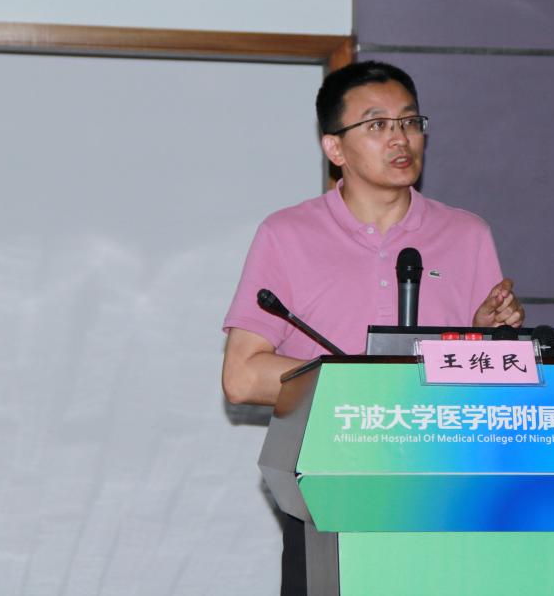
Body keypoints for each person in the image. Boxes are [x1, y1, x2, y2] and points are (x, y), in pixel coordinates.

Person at [220, 60, 524, 595]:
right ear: (335, 147)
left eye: (410, 121)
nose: (400, 138)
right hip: (331, 480)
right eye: (377, 124)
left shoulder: (467, 234)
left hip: (444, 482)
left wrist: (482, 335)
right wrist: (361, 384)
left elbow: (496, 380)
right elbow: (242, 377)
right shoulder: (287, 234)